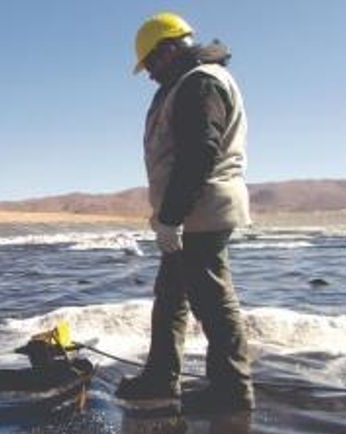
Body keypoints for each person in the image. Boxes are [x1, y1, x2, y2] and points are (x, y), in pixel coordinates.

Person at [114, 12, 254, 412]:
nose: (150, 74)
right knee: (172, 294)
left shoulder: (200, 84)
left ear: (170, 49)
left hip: (202, 210)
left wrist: (172, 217)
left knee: (211, 297)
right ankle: (161, 378)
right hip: (190, 209)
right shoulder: (185, 83)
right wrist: (168, 215)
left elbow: (199, 155)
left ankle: (232, 390)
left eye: (152, 64)